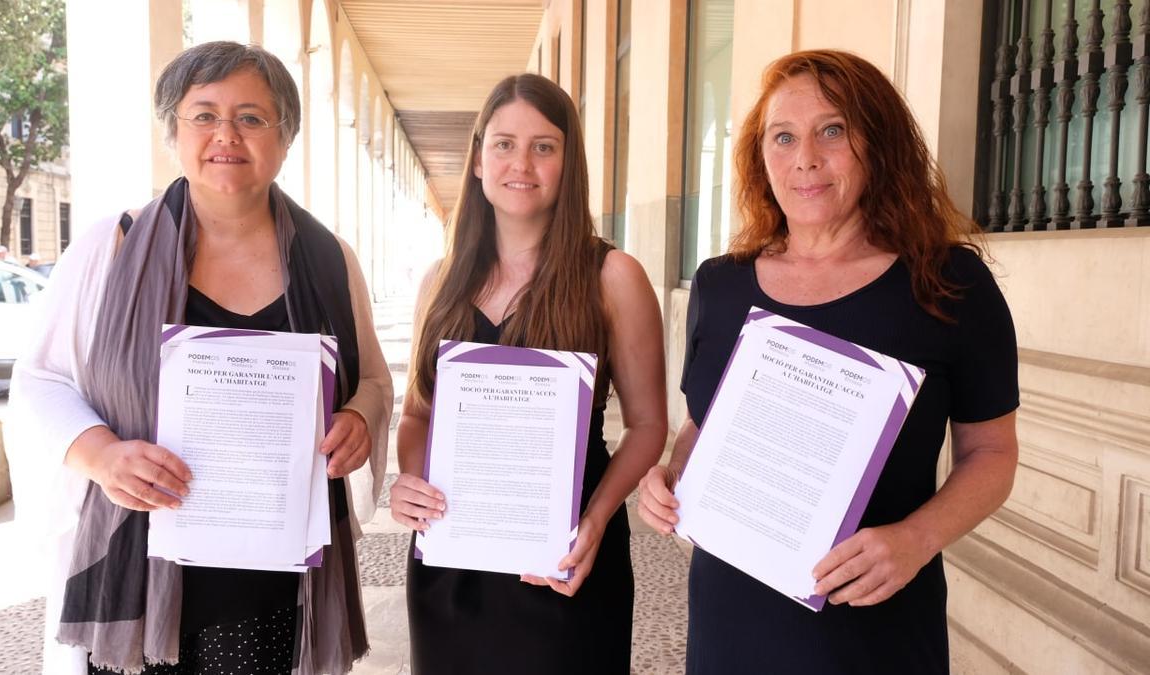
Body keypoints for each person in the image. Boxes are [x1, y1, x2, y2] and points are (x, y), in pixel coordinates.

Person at [9, 41, 392, 675]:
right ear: (173, 132)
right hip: (139, 566)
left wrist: (357, 416)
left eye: (251, 116)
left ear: (284, 136)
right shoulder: (113, 247)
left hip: (278, 574)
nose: (226, 135)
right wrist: (102, 454)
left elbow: (374, 378)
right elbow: (40, 379)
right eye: (204, 114)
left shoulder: (330, 259)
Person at [637, 49, 1020, 674]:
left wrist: (916, 540)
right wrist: (670, 478)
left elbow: (993, 454)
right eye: (782, 137)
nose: (805, 158)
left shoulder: (948, 283)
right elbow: (701, 427)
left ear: (880, 145)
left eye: (833, 131)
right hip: (732, 618)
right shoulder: (721, 285)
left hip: (875, 626)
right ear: (761, 157)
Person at [388, 73, 668, 674]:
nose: (523, 162)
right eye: (504, 144)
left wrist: (595, 521)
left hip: (564, 550)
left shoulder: (612, 276)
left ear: (570, 163)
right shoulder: (440, 281)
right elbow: (417, 413)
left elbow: (647, 425)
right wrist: (411, 481)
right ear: (478, 160)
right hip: (454, 552)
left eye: (545, 146)